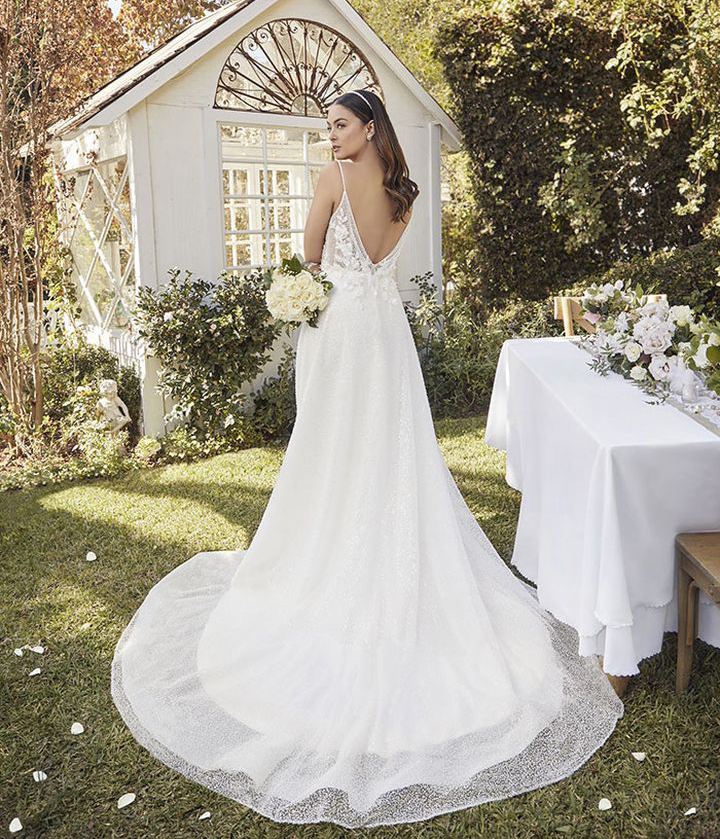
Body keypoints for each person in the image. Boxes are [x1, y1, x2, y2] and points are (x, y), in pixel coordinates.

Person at [110, 88, 623, 829]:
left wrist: (297, 295)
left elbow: (310, 259)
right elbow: (378, 260)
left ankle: (329, 546)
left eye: (341, 124)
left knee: (331, 445)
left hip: (339, 330)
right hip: (386, 334)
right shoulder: (404, 191)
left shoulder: (333, 179)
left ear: (370, 126)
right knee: (390, 442)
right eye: (328, 126)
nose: (331, 135)